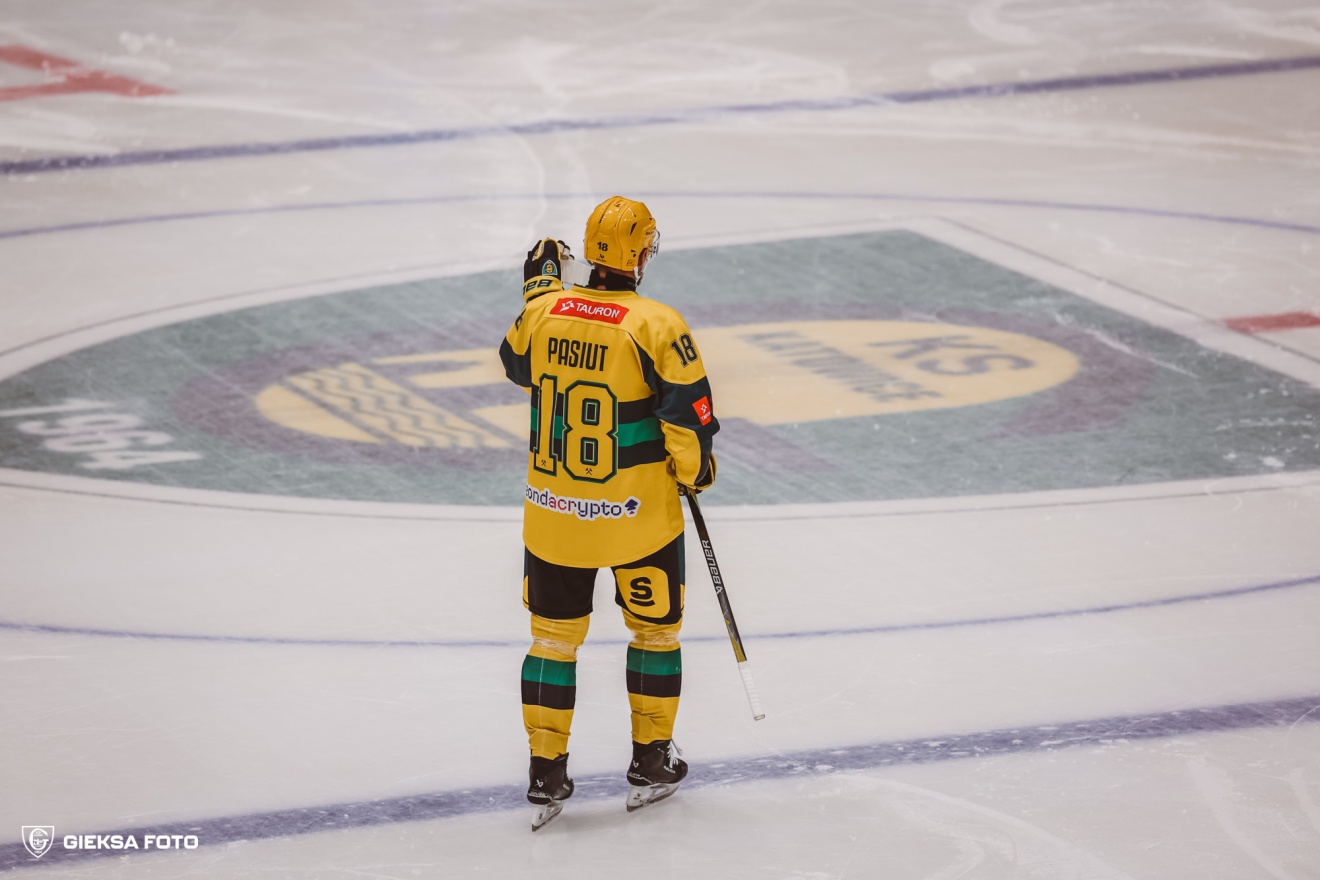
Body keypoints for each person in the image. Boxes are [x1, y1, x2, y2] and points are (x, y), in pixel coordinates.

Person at [498, 196, 718, 829]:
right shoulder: (657, 324)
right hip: (637, 523)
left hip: (554, 518)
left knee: (551, 640)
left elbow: (516, 364)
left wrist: (540, 290)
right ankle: (651, 759)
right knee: (654, 634)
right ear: (639, 253)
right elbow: (689, 420)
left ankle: (545, 772)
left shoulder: (544, 312)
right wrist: (694, 471)